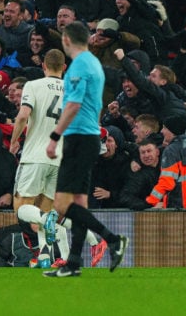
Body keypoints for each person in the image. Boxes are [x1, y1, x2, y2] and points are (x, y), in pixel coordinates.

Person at [43, 22, 128, 278]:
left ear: (66, 39)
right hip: (89, 135)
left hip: (79, 137)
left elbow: (73, 105)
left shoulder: (79, 65)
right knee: (80, 202)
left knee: (61, 204)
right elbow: (94, 104)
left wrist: (54, 137)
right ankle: (74, 263)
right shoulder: (94, 64)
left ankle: (113, 240)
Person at [9, 49, 66, 214]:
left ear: (43, 66)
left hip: (35, 156)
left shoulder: (33, 85)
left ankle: (30, 239)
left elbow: (22, 116)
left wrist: (14, 142)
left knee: (22, 211)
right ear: (64, 67)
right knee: (46, 214)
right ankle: (44, 240)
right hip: (60, 160)